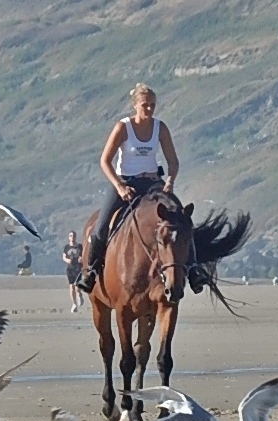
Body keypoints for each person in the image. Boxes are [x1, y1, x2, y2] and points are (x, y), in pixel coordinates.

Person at [77, 83, 208, 295]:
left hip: (153, 184)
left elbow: (173, 162)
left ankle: (193, 270)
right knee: (101, 226)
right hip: (126, 183)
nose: (149, 109)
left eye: (152, 105)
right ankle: (90, 271)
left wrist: (169, 182)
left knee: (181, 221)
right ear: (135, 105)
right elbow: (105, 161)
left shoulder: (160, 128)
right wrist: (119, 186)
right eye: (145, 105)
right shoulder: (123, 127)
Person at [62, 230, 84, 311]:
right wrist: (67, 260)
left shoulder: (79, 246)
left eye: (74, 235)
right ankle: (74, 304)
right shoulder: (66, 247)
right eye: (71, 236)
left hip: (78, 268)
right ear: (69, 237)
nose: (72, 237)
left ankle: (79, 294)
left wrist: (81, 259)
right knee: (71, 286)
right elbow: (63, 257)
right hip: (70, 268)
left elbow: (84, 255)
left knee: (77, 286)